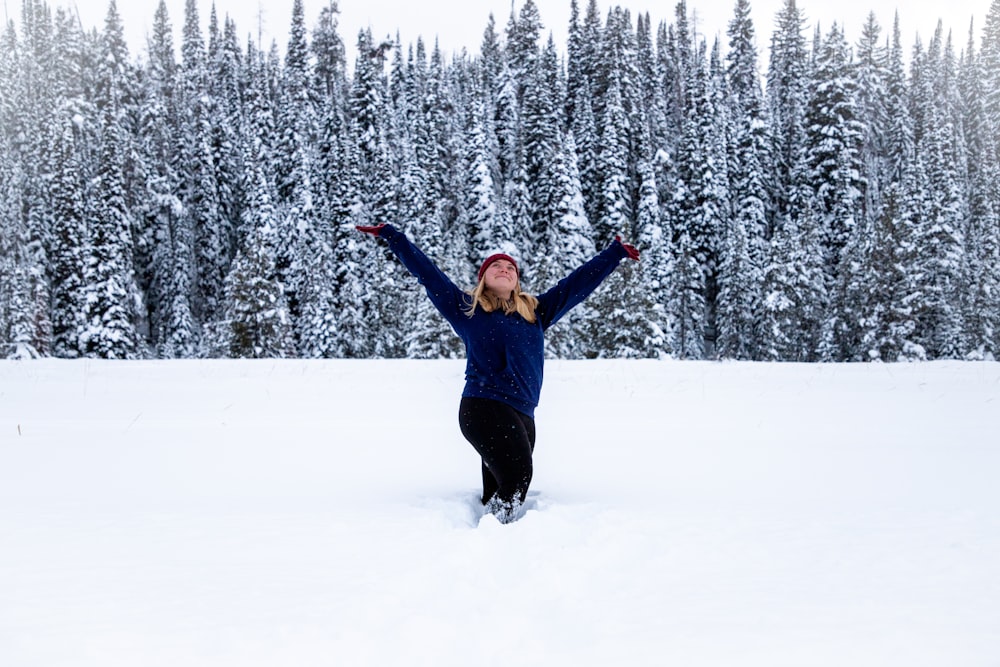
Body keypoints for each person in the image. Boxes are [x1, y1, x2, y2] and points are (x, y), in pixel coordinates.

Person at [356, 223, 639, 523]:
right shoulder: (466, 308)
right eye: (496, 266)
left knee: (498, 490)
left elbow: (576, 286)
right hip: (484, 406)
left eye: (510, 267)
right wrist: (394, 236)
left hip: (524, 414)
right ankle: (488, 539)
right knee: (517, 478)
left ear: (517, 280)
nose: (504, 269)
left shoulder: (536, 312)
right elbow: (428, 274)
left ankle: (492, 543)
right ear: (483, 278)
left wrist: (613, 254)